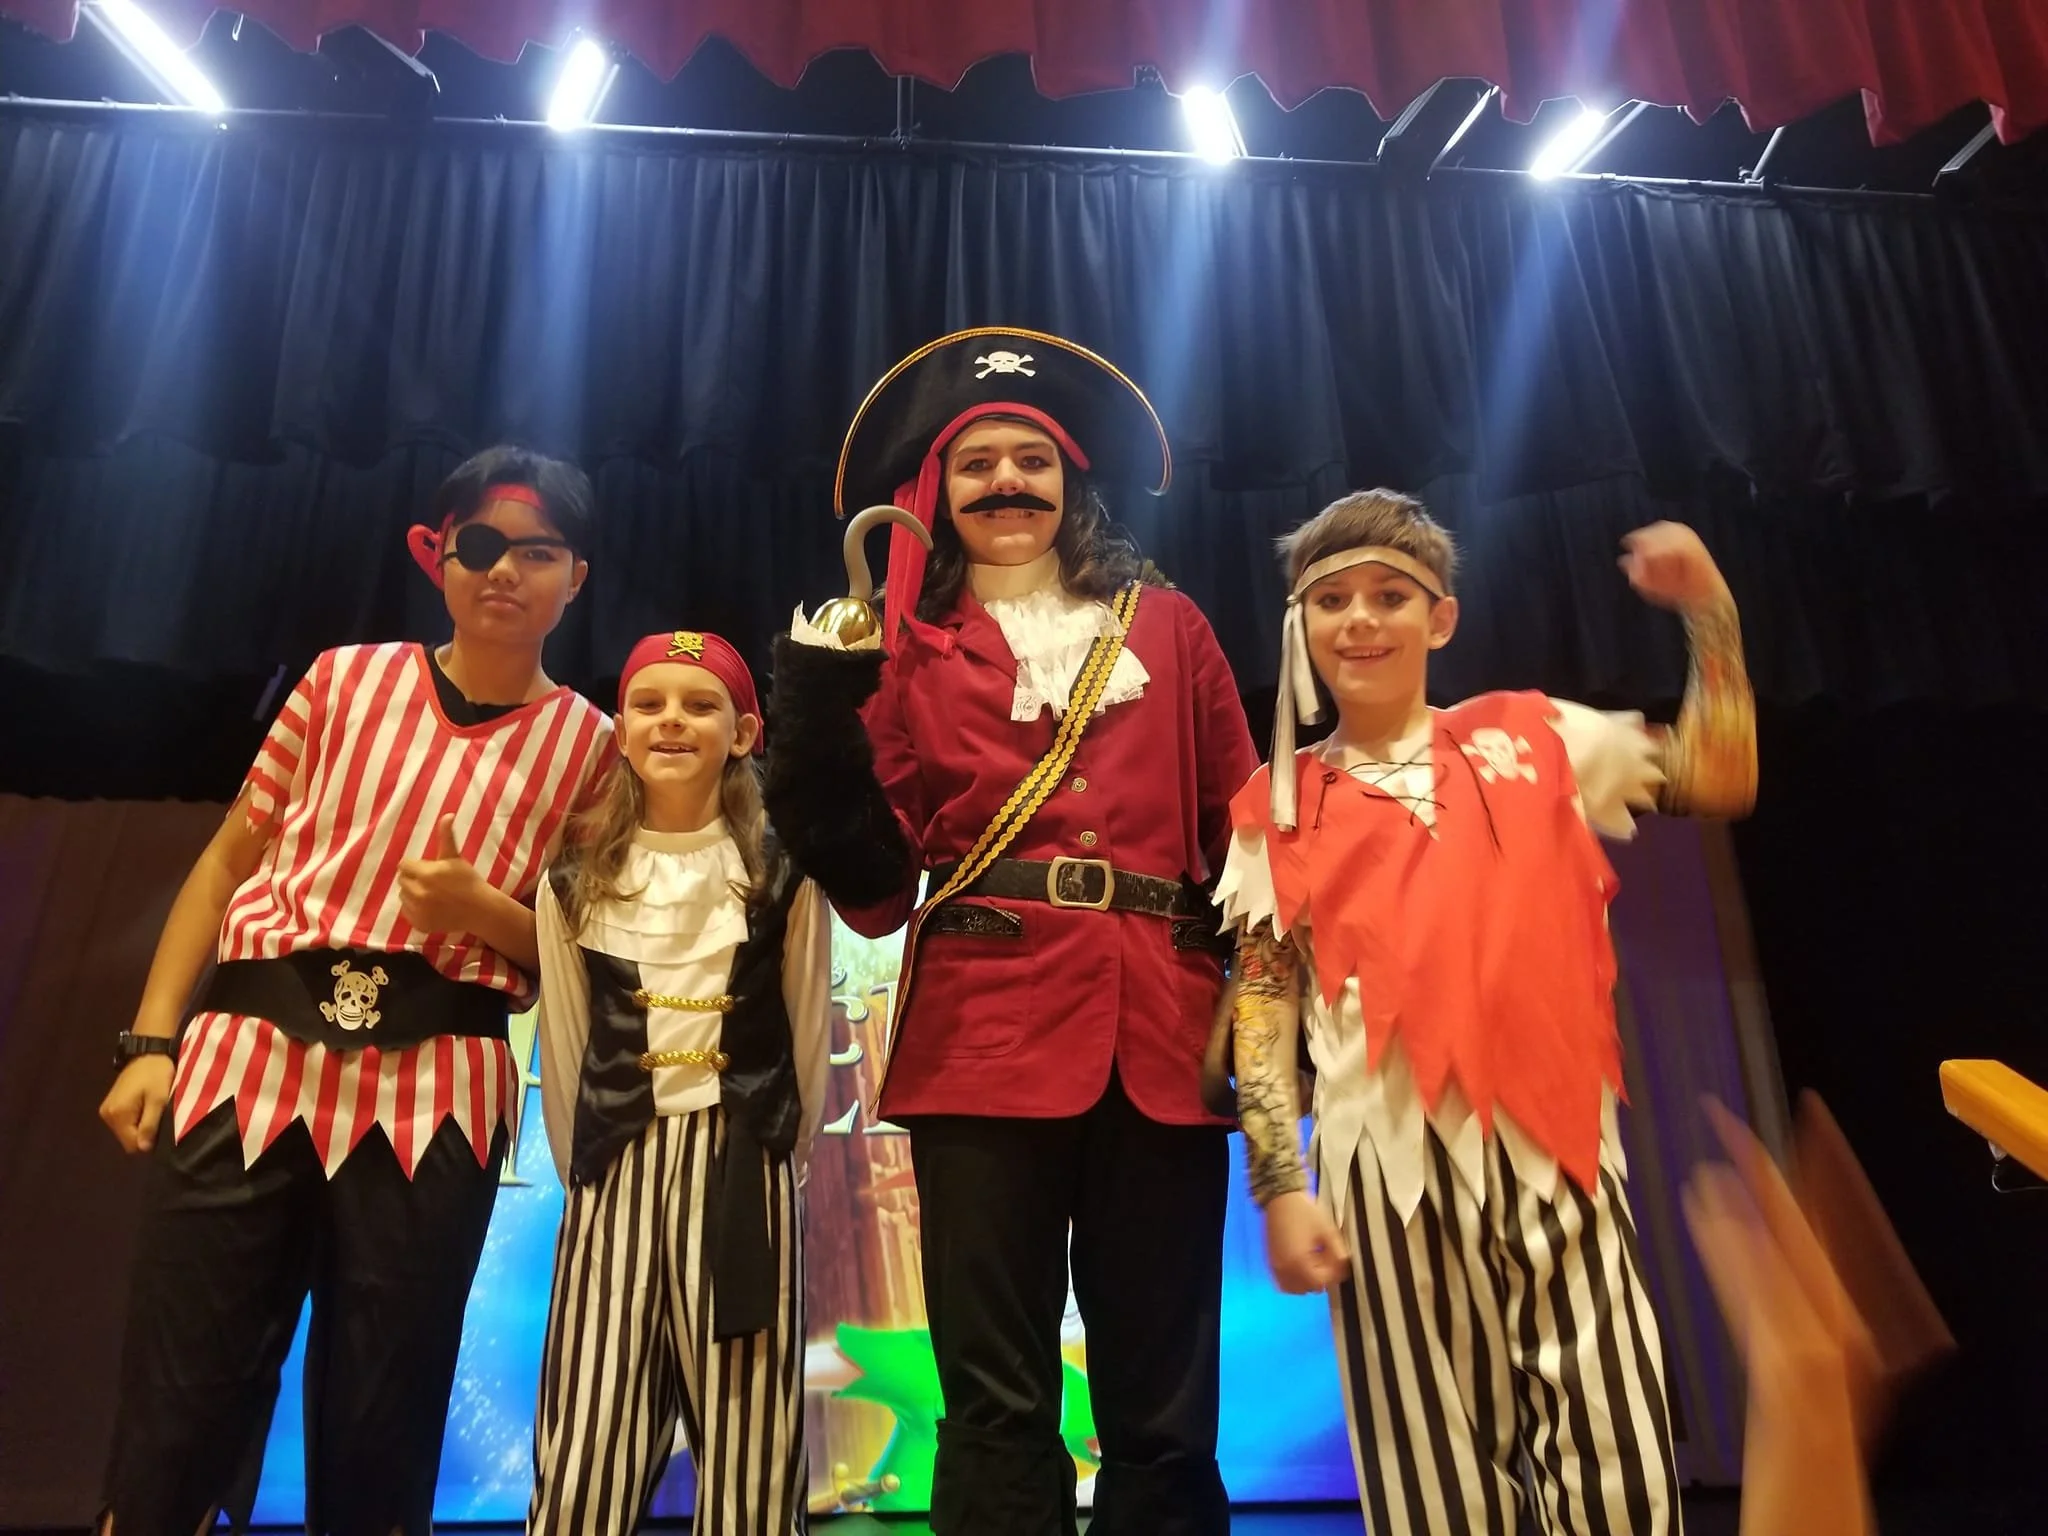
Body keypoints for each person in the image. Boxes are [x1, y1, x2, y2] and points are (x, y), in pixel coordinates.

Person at [764, 327, 1258, 1536]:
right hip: (981, 1040)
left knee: (1166, 1401)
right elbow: (877, 893)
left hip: (1161, 1033)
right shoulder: (895, 657)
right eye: (976, 461)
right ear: (932, 496)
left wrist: (1262, 1007)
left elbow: (1246, 839)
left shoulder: (1171, 629)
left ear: (1069, 482)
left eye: (1030, 460)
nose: (1007, 484)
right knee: (994, 1397)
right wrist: (817, 718)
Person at [94, 446, 615, 1536]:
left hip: (441, 1079)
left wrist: (481, 911)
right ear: (436, 557)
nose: (504, 572)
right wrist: (150, 1043)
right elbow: (228, 862)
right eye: (480, 546)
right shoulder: (342, 681)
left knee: (388, 1397)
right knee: (181, 1387)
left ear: (578, 576)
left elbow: (575, 953)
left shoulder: (592, 748)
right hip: (252, 1052)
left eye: (537, 551)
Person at [1221, 489, 1757, 1535]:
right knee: (1432, 1485)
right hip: (1383, 1168)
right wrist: (1279, 1188)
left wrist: (1709, 611)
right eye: (1330, 600)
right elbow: (1259, 1006)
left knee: (1617, 1468)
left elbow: (1720, 777)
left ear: (1440, 617)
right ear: (1298, 626)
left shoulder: (1536, 735)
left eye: (1388, 595)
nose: (1360, 619)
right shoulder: (1272, 800)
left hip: (1557, 1142)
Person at [526, 627, 897, 1534]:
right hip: (614, 1172)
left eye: (699, 705)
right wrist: (591, 1168)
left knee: (749, 1443)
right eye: (648, 704)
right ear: (620, 729)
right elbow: (567, 1042)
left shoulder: (780, 871)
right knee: (587, 1432)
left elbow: (809, 1029)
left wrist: (779, 1155)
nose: (671, 722)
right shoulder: (575, 880)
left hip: (745, 1174)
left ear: (743, 732)